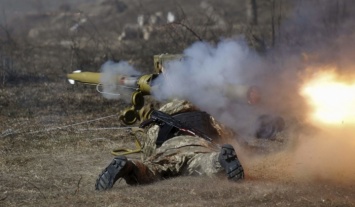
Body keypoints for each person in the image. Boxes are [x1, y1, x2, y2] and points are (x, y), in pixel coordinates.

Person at [95, 99, 244, 190]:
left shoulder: (158, 121)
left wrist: (149, 159)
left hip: (167, 149)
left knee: (149, 170)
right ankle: (220, 160)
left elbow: (150, 147)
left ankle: (129, 167)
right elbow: (226, 134)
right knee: (206, 164)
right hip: (198, 146)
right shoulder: (207, 116)